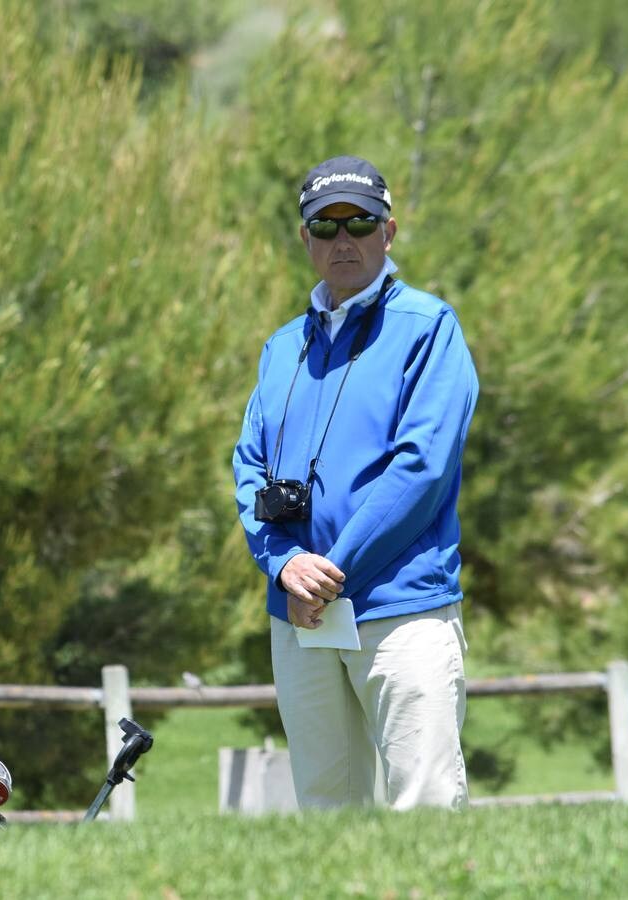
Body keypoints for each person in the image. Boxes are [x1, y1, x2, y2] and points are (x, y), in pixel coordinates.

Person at [232, 156, 478, 810]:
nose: (344, 240)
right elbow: (248, 466)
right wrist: (283, 564)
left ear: (389, 232)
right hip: (301, 617)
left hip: (402, 609)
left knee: (423, 799)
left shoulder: (429, 328)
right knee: (325, 809)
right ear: (305, 240)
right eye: (326, 225)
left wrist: (329, 573)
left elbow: (420, 469)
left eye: (361, 222)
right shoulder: (282, 348)